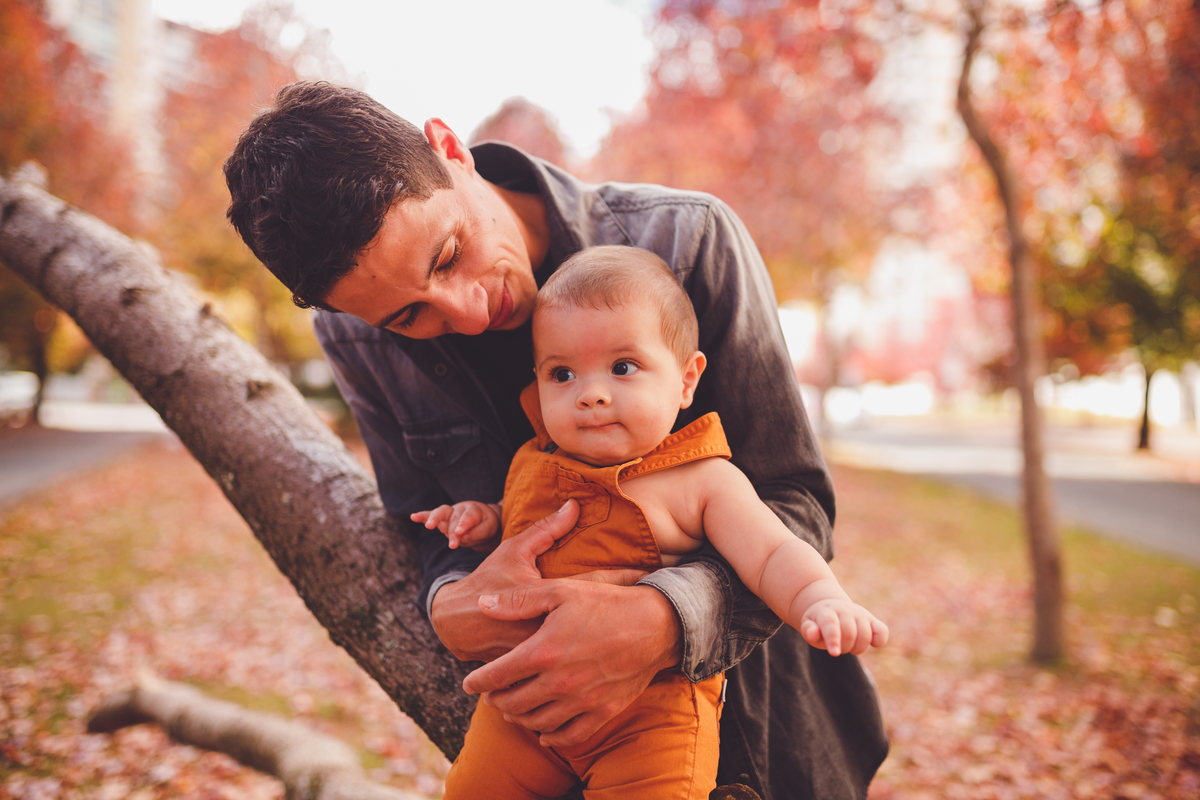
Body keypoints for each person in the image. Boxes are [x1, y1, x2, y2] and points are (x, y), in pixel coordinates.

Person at [223, 80, 888, 800]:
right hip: (529, 743)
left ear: (452, 151)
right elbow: (419, 518)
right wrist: (450, 597)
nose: (467, 313)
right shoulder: (354, 332)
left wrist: (662, 619)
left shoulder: (687, 242)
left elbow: (794, 505)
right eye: (409, 316)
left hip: (755, 734)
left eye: (448, 256)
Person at [412, 245, 888, 799]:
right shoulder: (537, 459)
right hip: (527, 708)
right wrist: (481, 519)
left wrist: (819, 600)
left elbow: (772, 553)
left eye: (623, 367)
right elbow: (516, 518)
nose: (590, 394)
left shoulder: (701, 479)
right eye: (562, 373)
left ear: (686, 381)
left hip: (652, 719)